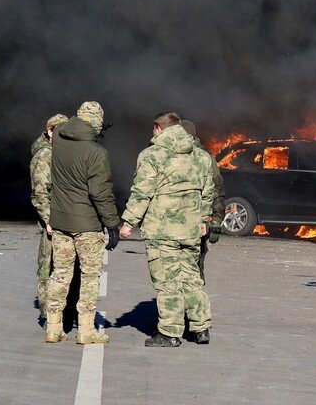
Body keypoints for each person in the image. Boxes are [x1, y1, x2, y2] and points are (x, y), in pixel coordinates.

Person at [120, 112, 215, 347]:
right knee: (192, 278)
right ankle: (201, 328)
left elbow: (142, 192)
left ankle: (170, 333)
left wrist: (129, 222)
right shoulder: (202, 157)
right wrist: (204, 219)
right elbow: (208, 191)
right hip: (191, 229)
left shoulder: (152, 155)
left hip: (162, 231)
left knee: (168, 281)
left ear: (158, 128)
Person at [45, 101, 121, 344]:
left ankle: (53, 327)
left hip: (60, 220)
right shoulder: (96, 152)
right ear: (97, 123)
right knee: (90, 276)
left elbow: (76, 133)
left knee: (60, 273)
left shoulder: (58, 139)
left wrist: (92, 131)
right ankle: (86, 330)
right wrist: (112, 223)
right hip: (87, 225)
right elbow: (101, 192)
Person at [29, 113, 69, 321]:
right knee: (48, 268)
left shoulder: (62, 152)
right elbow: (40, 193)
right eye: (59, 131)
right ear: (50, 131)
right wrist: (49, 220)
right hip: (52, 223)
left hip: (67, 219)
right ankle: (49, 314)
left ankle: (63, 310)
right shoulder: (45, 155)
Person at [178, 119, 225, 284]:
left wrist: (217, 221)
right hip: (172, 224)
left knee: (194, 273)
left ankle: (192, 307)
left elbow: (217, 191)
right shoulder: (167, 154)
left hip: (197, 223)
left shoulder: (205, 158)